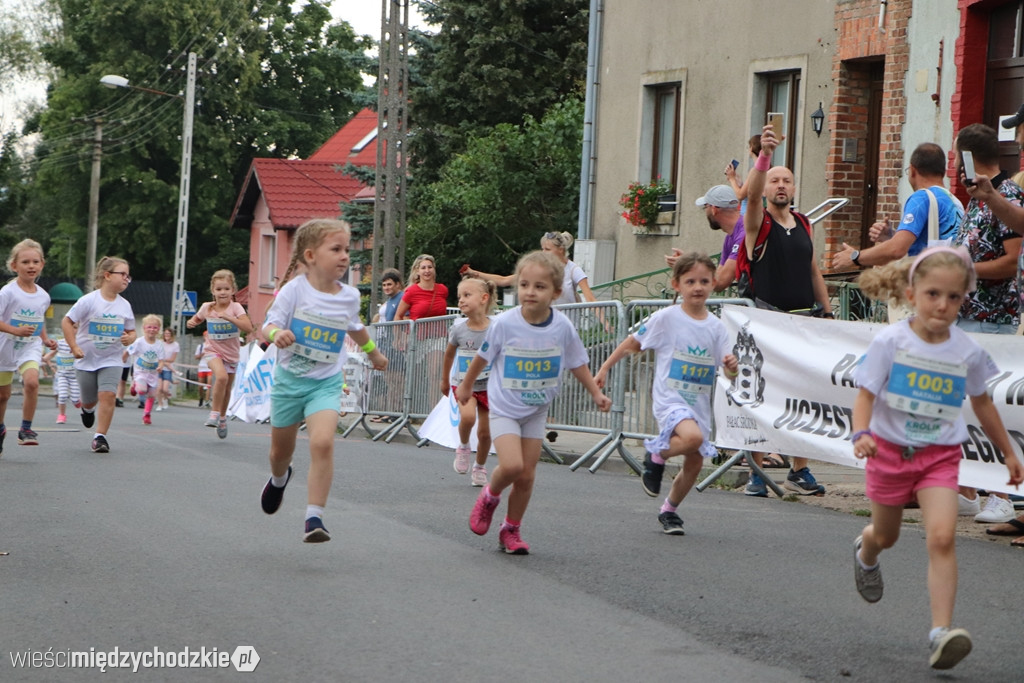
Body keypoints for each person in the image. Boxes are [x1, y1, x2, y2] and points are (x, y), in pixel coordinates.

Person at [850, 246, 1023, 670]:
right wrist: (862, 432)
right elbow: (865, 396)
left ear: (964, 298)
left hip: (940, 458)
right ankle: (865, 552)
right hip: (890, 454)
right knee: (886, 536)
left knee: (942, 537)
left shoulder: (966, 350)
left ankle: (940, 633)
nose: (942, 306)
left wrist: (1009, 452)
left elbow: (982, 404)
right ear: (911, 293)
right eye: (932, 295)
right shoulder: (891, 341)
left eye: (953, 297)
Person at [459, 251, 611, 555]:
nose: (530, 292)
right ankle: (489, 496)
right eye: (525, 285)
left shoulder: (563, 327)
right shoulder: (505, 323)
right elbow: (483, 357)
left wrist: (595, 391)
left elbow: (577, 362)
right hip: (504, 407)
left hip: (536, 410)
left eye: (539, 287)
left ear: (556, 293)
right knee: (512, 466)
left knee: (527, 475)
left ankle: (510, 530)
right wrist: (465, 384)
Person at [259, 219, 387, 543]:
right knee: (279, 453)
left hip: (325, 382)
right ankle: (278, 479)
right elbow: (267, 326)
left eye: (347, 249)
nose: (345, 256)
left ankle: (314, 516)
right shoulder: (294, 290)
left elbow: (354, 327)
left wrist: (373, 353)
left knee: (323, 442)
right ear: (311, 255)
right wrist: (278, 334)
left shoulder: (349, 296)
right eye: (337, 249)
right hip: (290, 382)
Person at [595, 252, 738, 534]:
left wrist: (732, 367)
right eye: (690, 281)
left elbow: (729, 371)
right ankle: (657, 454)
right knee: (693, 437)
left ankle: (669, 511)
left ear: (713, 284)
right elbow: (631, 344)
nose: (697, 287)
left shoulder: (717, 327)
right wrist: (604, 369)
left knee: (695, 463)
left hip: (698, 403)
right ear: (677, 285)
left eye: (704, 281)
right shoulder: (666, 318)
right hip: (670, 399)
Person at [739, 123, 833, 496]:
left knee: (804, 397)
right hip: (766, 320)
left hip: (803, 323)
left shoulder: (805, 224)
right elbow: (751, 197)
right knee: (763, 396)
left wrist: (826, 312)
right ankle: (756, 473)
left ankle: (799, 471)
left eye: (787, 181)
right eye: (775, 180)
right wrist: (765, 155)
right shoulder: (757, 225)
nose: (780, 185)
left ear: (794, 189)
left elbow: (814, 271)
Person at [947, 124, 1024, 522]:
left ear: (968, 157)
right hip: (968, 314)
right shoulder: (976, 198)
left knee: (987, 407)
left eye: (955, 155)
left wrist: (966, 272)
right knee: (960, 405)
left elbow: (1012, 261)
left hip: (992, 318)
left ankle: (1002, 494)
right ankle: (966, 489)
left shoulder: (1005, 194)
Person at [832, 143, 964, 270]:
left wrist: (855, 257)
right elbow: (935, 239)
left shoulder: (922, 197)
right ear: (944, 172)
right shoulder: (954, 202)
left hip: (929, 284)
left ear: (912, 170)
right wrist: (892, 237)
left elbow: (897, 250)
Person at [62, 256, 136, 453]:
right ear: (107, 275)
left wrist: (130, 339)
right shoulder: (88, 300)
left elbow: (131, 330)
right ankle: (87, 410)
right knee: (89, 399)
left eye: (129, 276)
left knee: (108, 394)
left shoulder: (124, 305)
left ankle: (100, 437)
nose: (126, 279)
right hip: (86, 359)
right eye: (123, 275)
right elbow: (67, 322)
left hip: (112, 359)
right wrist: (74, 346)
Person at [0, 239, 58, 451]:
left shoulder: (43, 295)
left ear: (42, 264)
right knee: (2, 396)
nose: (31, 266)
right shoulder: (8, 292)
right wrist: (14, 330)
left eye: (35, 261)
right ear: (14, 266)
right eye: (25, 262)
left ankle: (26, 429)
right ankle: (0, 429)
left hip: (29, 346)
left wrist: (45, 339)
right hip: (4, 347)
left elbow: (38, 319)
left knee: (32, 382)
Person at [442, 277, 497, 486]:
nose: (461, 301)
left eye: (467, 295)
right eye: (459, 297)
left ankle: (480, 467)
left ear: (484, 298)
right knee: (467, 418)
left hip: (489, 386)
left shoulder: (495, 329)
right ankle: (464, 446)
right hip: (464, 385)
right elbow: (448, 355)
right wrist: (445, 380)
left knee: (486, 433)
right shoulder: (459, 329)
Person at [186, 269, 253, 439]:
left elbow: (248, 327)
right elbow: (197, 318)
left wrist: (230, 318)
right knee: (221, 377)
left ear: (232, 290)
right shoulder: (207, 307)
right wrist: (192, 322)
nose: (222, 293)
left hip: (231, 353)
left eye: (226, 289)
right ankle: (214, 413)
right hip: (212, 351)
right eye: (219, 289)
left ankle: (223, 417)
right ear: (213, 291)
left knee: (227, 388)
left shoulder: (236, 307)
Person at [465, 231, 599, 306]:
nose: (543, 252)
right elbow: (504, 280)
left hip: (567, 327)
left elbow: (590, 298)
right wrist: (475, 274)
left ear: (560, 250)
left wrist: (606, 324)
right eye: (542, 249)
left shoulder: (573, 270)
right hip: (545, 325)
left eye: (547, 249)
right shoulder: (540, 270)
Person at [665, 184, 744, 292]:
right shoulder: (731, 237)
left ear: (714, 209)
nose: (705, 212)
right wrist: (689, 262)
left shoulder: (743, 234)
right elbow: (716, 279)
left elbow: (720, 282)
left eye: (705, 207)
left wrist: (687, 265)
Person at [123, 315, 164, 425]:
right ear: (144, 328)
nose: (152, 330)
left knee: (151, 395)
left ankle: (147, 414)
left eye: (155, 327)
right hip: (140, 372)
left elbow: (161, 360)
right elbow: (127, 352)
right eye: (149, 327)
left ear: (158, 329)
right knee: (141, 390)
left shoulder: (159, 344)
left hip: (153, 374)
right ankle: (134, 385)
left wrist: (160, 366)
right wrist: (122, 360)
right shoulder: (139, 342)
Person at [395, 254, 448, 321]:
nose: (427, 271)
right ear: (417, 271)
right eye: (423, 268)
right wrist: (399, 331)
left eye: (430, 267)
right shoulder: (411, 291)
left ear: (434, 269)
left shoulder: (443, 289)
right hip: (418, 331)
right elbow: (398, 316)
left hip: (440, 331)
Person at [42, 337, 81, 424]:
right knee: (62, 396)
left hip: (74, 376)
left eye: (75, 328)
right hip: (62, 375)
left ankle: (77, 401)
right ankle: (61, 415)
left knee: (75, 399)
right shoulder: (60, 343)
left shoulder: (79, 342)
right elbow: (52, 353)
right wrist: (44, 358)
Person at [724, 134, 761, 215]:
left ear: (751, 148)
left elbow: (740, 196)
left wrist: (732, 179)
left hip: (748, 216)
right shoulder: (766, 169)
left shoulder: (755, 170)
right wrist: (740, 184)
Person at [158, 327, 179, 411]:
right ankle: (160, 404)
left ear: (172, 335)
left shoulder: (175, 345)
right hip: (160, 367)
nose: (167, 335)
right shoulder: (160, 343)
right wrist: (161, 361)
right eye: (165, 334)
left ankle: (165, 398)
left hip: (168, 369)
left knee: (165, 389)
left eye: (168, 334)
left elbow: (172, 359)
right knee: (159, 388)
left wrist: (163, 360)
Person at [195, 331, 211, 407]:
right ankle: (201, 397)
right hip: (202, 367)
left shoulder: (213, 346)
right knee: (200, 385)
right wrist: (202, 354)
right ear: (204, 337)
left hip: (210, 367)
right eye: (206, 336)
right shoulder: (200, 346)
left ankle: (207, 401)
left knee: (209, 385)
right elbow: (196, 357)